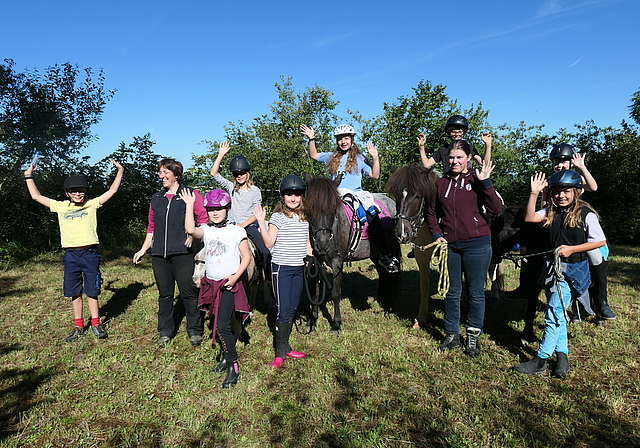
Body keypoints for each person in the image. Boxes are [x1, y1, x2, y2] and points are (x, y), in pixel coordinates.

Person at [513, 170, 606, 377]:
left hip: (574, 271)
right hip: (552, 270)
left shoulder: (586, 214)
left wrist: (572, 249)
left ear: (576, 192)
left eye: (566, 192)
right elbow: (530, 217)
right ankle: (562, 359)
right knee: (558, 315)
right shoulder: (552, 211)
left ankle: (541, 359)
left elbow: (599, 241)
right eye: (556, 192)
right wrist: (534, 194)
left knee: (553, 311)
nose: (561, 196)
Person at [24, 159, 124, 342]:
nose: (78, 193)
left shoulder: (92, 204)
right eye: (74, 191)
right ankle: (78, 325)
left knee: (92, 290)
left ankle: (96, 323)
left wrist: (120, 171)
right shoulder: (61, 207)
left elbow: (112, 191)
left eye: (81, 190)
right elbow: (37, 197)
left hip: (90, 254)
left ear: (86, 192)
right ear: (67, 193)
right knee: (74, 291)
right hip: (71, 255)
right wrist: (28, 176)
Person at [426, 140, 503, 356]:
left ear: (469, 158)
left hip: (477, 244)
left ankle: (472, 337)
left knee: (476, 293)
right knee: (452, 292)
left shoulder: (477, 179)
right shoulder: (440, 183)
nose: (454, 161)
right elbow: (431, 214)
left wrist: (486, 182)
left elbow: (496, 208)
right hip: (449, 245)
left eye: (459, 157)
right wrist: (437, 235)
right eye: (451, 157)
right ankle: (451, 334)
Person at [300, 123, 399, 273]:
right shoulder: (332, 157)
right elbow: (313, 155)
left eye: (346, 138)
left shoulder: (360, 158)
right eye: (340, 139)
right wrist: (311, 139)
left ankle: (385, 253)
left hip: (356, 194)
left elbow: (375, 175)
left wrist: (375, 158)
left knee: (373, 214)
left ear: (352, 139)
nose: (343, 141)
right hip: (336, 194)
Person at [181, 188, 251, 388]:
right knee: (218, 323)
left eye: (219, 209)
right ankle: (225, 358)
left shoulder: (237, 231)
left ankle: (233, 365)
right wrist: (188, 206)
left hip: (228, 286)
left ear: (227, 209)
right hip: (210, 284)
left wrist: (235, 277)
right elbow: (191, 230)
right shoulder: (207, 230)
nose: (215, 212)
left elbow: (246, 257)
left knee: (222, 326)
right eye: (211, 209)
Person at [133, 159, 207, 346]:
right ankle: (165, 331)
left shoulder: (190, 194)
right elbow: (151, 227)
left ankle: (195, 330)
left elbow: (204, 219)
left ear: (176, 174)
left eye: (165, 172)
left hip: (183, 252)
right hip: (159, 254)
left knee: (189, 293)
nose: (161, 176)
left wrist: (195, 236)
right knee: (165, 294)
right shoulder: (156, 198)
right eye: (160, 172)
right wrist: (143, 249)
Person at [547, 143, 614, 322]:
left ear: (570, 162)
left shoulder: (576, 178)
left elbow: (593, 187)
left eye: (563, 162)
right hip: (560, 227)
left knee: (596, 258)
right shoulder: (550, 181)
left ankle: (601, 302)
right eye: (556, 162)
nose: (559, 165)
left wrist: (582, 167)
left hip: (579, 227)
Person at [253, 174, 312, 369]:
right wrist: (261, 221)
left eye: (296, 194)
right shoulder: (278, 217)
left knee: (293, 306)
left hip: (298, 268)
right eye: (289, 194)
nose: (293, 198)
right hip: (282, 269)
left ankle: (286, 346)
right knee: (284, 309)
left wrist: (310, 258)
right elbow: (269, 243)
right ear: (282, 196)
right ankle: (280, 351)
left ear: (302, 196)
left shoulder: (306, 217)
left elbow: (307, 242)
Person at [210, 141, 269, 273]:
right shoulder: (231, 188)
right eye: (236, 174)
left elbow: (257, 213)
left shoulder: (255, 191)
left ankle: (268, 279)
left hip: (248, 226)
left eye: (242, 173)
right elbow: (214, 173)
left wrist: (242, 225)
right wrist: (220, 155)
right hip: (230, 226)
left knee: (265, 251)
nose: (239, 176)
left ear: (248, 173)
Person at [418, 114, 492, 173]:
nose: (457, 134)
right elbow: (427, 164)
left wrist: (488, 145)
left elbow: (484, 163)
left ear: (464, 132)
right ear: (448, 132)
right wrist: (421, 146)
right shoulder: (443, 149)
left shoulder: (469, 147)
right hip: (449, 181)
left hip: (467, 181)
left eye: (459, 131)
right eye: (453, 131)